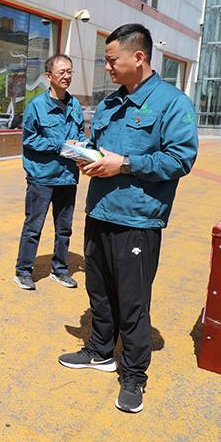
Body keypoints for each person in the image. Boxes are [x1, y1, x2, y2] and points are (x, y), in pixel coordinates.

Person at [58, 24, 198, 413]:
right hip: (100, 211)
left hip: (137, 219)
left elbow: (180, 159)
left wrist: (125, 164)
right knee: (99, 291)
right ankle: (100, 350)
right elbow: (102, 149)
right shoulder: (110, 104)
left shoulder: (172, 103)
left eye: (111, 60)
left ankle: (134, 375)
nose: (107, 68)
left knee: (133, 302)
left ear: (139, 57)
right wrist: (86, 155)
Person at [13, 54, 84, 291]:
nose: (67, 76)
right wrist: (60, 146)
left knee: (64, 229)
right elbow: (29, 139)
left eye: (70, 71)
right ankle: (23, 271)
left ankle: (60, 270)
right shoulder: (37, 106)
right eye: (62, 72)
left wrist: (83, 148)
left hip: (68, 177)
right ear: (49, 76)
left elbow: (80, 134)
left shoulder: (75, 105)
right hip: (42, 177)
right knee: (33, 227)